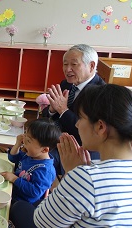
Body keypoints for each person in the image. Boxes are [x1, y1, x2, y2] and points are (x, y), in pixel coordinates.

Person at [11, 84, 132, 227]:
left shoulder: (86, 178)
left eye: (80, 118)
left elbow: (42, 221)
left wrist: (71, 174)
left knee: (20, 208)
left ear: (100, 127)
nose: (77, 125)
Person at [42, 44, 105, 174]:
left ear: (91, 66)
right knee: (26, 146)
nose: (67, 69)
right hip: (55, 138)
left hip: (79, 150)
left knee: (37, 161)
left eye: (74, 64)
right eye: (65, 64)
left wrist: (63, 110)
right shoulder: (66, 84)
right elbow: (49, 114)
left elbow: (88, 132)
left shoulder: (100, 93)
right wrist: (52, 110)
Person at [0, 119, 61, 206]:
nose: (24, 141)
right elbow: (13, 158)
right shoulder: (31, 154)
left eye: (28, 140)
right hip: (11, 189)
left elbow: (35, 192)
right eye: (25, 136)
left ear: (44, 149)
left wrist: (14, 179)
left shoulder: (45, 170)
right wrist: (17, 144)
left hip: (20, 202)